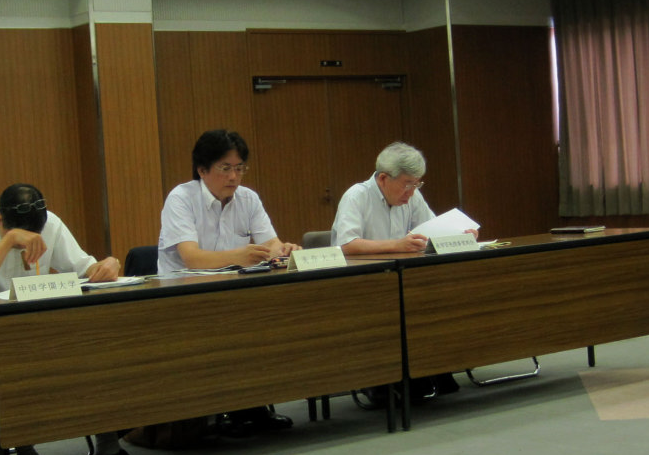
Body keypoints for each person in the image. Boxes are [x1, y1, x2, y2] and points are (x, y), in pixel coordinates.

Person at [0, 183, 159, 455]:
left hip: (37, 329)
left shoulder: (51, 224)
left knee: (93, 350)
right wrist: (9, 240)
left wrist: (106, 266)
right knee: (10, 370)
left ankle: (108, 452)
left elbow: (86, 268)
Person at [157, 129, 300, 436]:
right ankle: (230, 408)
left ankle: (250, 405)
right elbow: (192, 259)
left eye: (239, 168)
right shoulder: (181, 199)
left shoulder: (248, 199)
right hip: (183, 299)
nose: (234, 176)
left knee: (272, 319)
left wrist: (284, 250)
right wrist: (240, 255)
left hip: (233, 295)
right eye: (225, 168)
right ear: (202, 170)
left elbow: (271, 244)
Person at [332, 141, 463, 404]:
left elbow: (432, 230)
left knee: (438, 300)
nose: (411, 192)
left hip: (403, 282)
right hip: (362, 286)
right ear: (383, 178)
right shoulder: (356, 196)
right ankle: (379, 380)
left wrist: (460, 234)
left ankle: (431, 370)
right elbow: (346, 245)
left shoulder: (412, 197)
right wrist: (396, 245)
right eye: (407, 184)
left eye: (417, 184)